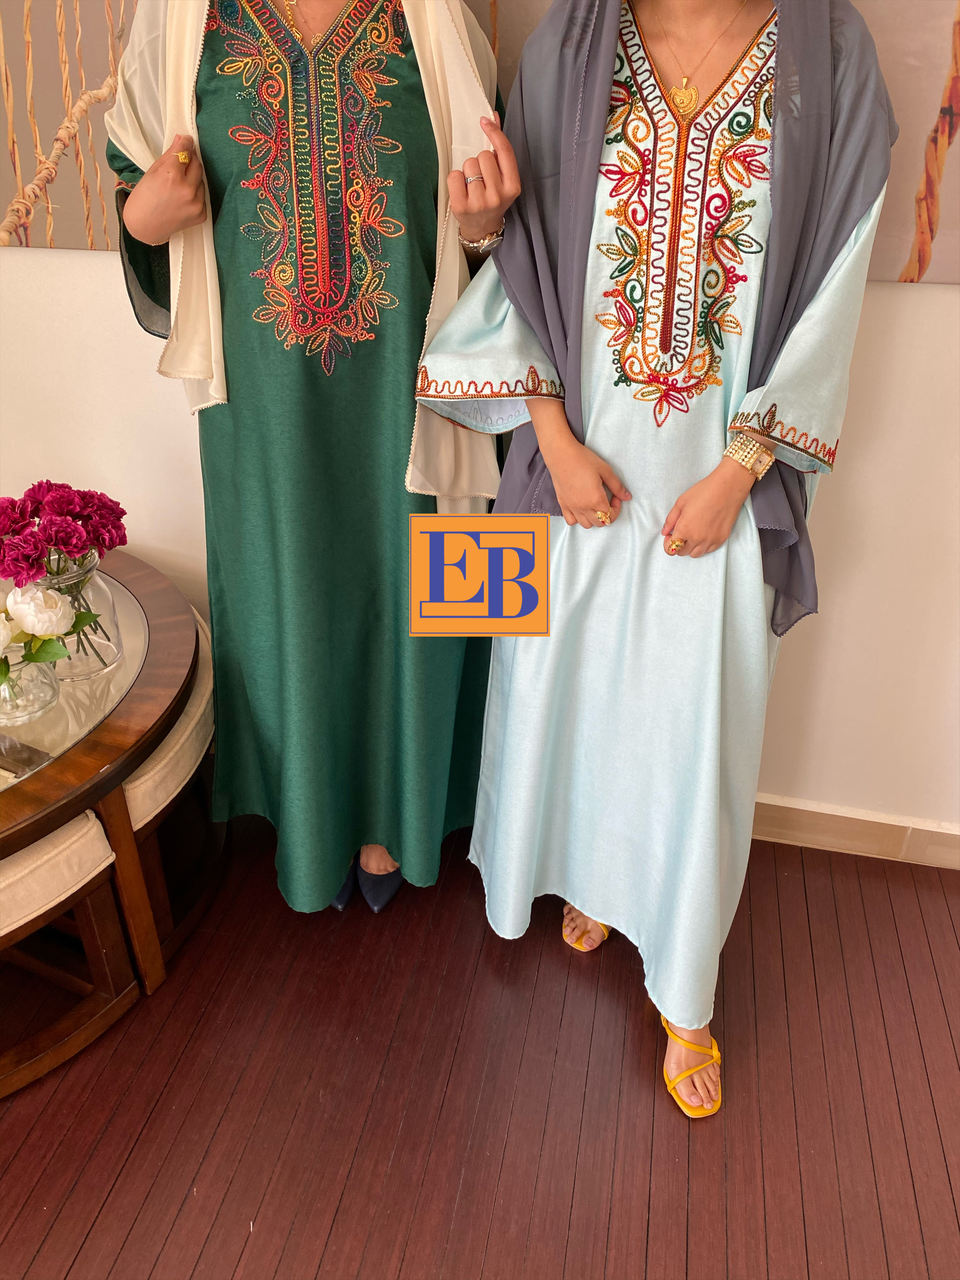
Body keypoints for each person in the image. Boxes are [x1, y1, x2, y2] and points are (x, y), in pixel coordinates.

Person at [417, 0, 895, 1115]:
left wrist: (741, 472)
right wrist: (553, 446)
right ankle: (587, 879)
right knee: (559, 695)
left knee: (696, 732)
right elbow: (520, 263)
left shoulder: (830, 56)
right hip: (570, 469)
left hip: (720, 485)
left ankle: (684, 990)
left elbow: (839, 276)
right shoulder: (568, 46)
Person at [105, 0, 519, 914]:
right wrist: (143, 217)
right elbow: (134, 180)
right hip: (262, 401)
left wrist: (484, 227)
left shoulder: (434, 19)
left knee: (434, 577)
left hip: (421, 385)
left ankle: (416, 814)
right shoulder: (185, 24)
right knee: (291, 590)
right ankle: (314, 820)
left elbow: (494, 232)